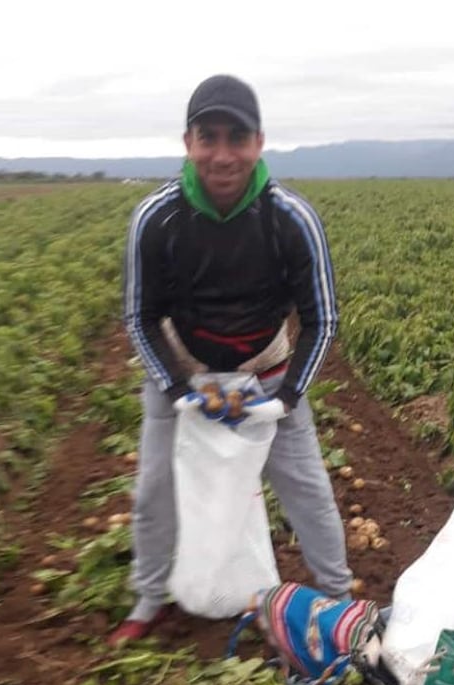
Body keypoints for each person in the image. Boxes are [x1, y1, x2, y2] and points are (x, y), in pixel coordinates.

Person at [110, 73, 353, 644]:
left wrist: (287, 397)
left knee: (306, 486)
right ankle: (149, 598)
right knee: (154, 490)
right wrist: (177, 390)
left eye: (236, 138)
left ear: (258, 143)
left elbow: (323, 319)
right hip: (186, 366)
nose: (223, 154)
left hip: (265, 369)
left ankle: (338, 599)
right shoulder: (157, 219)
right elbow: (139, 317)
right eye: (208, 137)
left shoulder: (290, 218)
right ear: (188, 143)